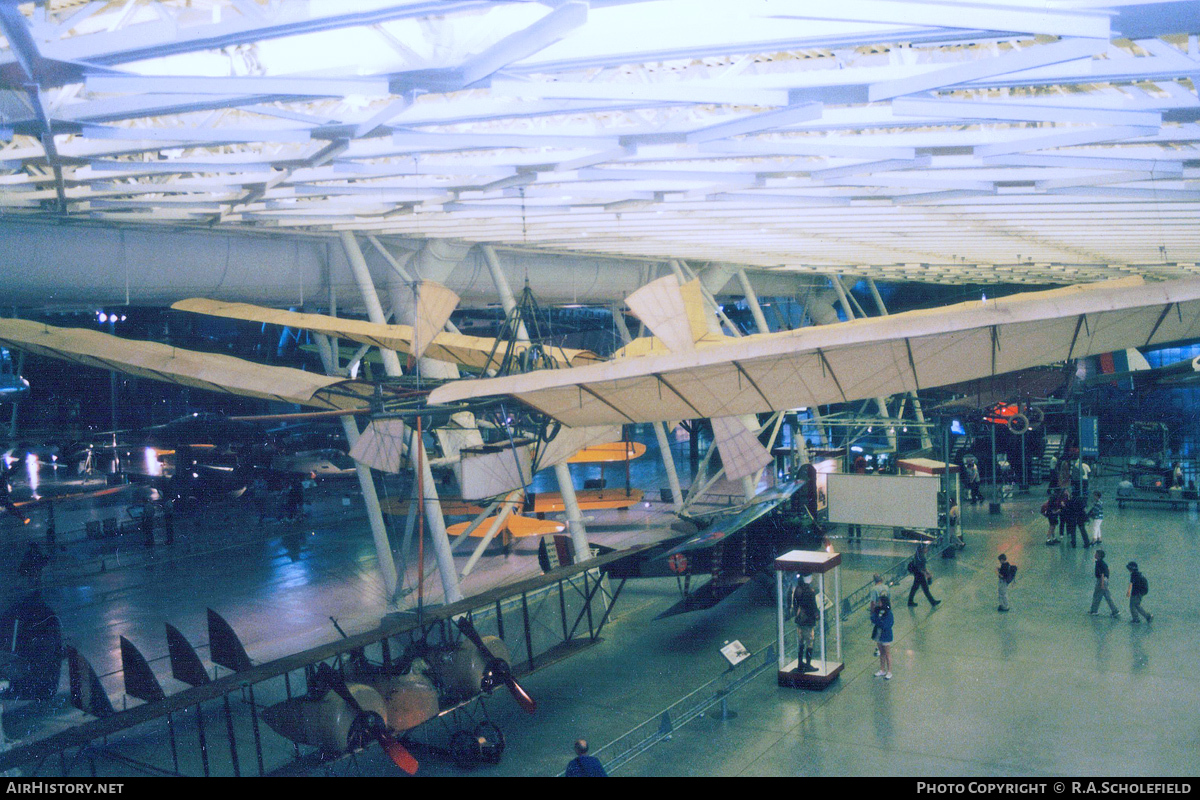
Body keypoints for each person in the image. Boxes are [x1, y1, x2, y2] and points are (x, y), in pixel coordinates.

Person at [789, 574, 820, 672]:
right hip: (808, 620)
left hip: (799, 619)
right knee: (810, 642)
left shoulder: (798, 589)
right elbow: (813, 606)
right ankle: (808, 664)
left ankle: (800, 663)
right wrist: (816, 614)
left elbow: (795, 603)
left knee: (801, 642)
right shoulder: (810, 591)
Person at [1088, 549, 1120, 618]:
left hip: (1101, 581)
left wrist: (1102, 584)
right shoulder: (1103, 563)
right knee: (1107, 596)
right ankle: (1115, 610)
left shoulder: (1099, 563)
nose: (1095, 555)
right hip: (1104, 580)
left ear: (1099, 556)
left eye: (1096, 554)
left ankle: (1094, 610)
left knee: (1097, 595)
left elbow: (1102, 574)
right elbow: (1108, 570)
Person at [907, 543, 940, 607]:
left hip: (917, 573)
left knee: (916, 587)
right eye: (925, 548)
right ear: (922, 549)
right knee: (923, 588)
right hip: (919, 574)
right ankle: (932, 602)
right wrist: (926, 574)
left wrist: (927, 573)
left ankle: (910, 601)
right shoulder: (921, 557)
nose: (927, 549)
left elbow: (922, 567)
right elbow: (921, 568)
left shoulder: (918, 555)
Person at [870, 594, 894, 680]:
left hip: (886, 635)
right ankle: (882, 669)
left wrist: (878, 621)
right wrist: (878, 621)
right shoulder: (877, 611)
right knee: (881, 653)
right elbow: (873, 618)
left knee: (887, 653)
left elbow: (887, 624)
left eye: (879, 602)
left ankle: (889, 671)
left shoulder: (888, 613)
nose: (878, 603)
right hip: (878, 635)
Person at [869, 573, 890, 656]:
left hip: (878, 611)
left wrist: (872, 612)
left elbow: (873, 602)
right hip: (886, 610)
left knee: (878, 629)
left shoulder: (874, 589)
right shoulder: (886, 587)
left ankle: (879, 647)